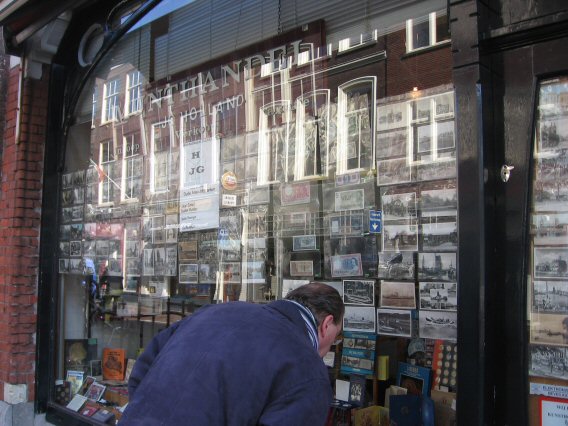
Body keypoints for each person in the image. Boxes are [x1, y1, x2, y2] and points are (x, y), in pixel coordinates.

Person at [119, 282, 344, 425]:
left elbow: (143, 369)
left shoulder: (216, 311)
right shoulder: (307, 368)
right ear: (327, 324)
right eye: (336, 337)